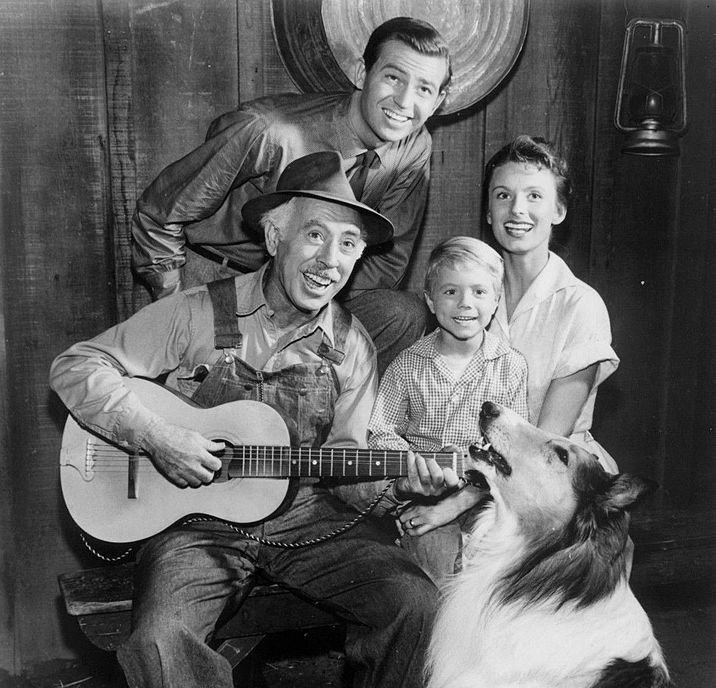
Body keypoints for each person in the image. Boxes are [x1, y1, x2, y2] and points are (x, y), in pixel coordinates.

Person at [50, 152, 459, 688]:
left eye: (348, 245)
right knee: (159, 639)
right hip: (197, 525)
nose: (330, 260)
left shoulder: (351, 347)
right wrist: (158, 436)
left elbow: (347, 461)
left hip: (306, 517)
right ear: (275, 236)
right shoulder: (196, 312)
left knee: (418, 604)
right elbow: (77, 367)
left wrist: (399, 474)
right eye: (315, 236)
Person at [131, 16, 452, 377]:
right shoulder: (269, 130)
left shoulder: (413, 145)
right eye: (393, 77)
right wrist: (176, 309)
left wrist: (315, 316)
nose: (404, 101)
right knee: (205, 409)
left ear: (439, 100)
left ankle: (326, 419)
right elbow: (158, 214)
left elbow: (388, 258)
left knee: (403, 314)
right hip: (215, 276)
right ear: (363, 74)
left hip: (303, 290)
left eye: (424, 89)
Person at [367, 236, 528, 583]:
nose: (465, 304)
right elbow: (380, 432)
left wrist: (457, 504)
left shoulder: (511, 367)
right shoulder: (408, 364)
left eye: (479, 292)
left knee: (497, 575)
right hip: (424, 495)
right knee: (439, 576)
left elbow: (515, 455)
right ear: (430, 299)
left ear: (496, 300)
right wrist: (420, 470)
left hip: (487, 497)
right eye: (451, 291)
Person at [484, 135, 619, 470]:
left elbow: (544, 444)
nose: (517, 209)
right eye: (503, 195)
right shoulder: (467, 297)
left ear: (558, 210)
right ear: (488, 212)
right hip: (483, 469)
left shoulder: (581, 305)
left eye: (534, 196)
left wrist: (456, 502)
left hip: (557, 477)